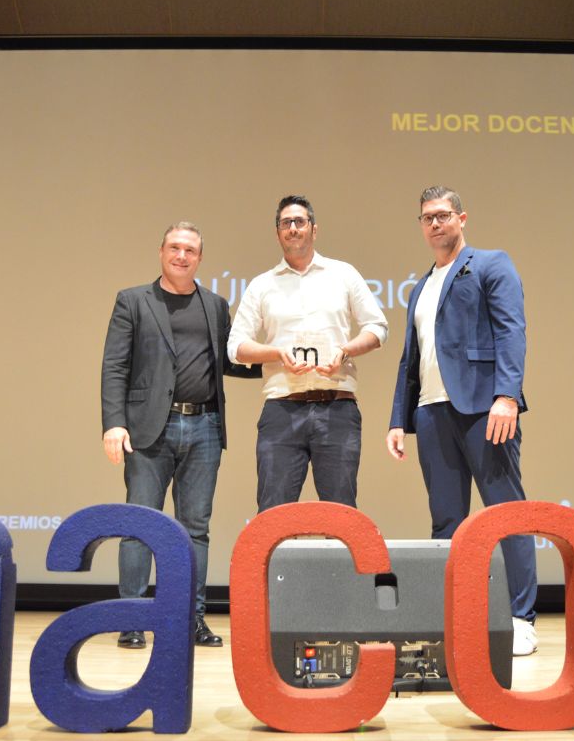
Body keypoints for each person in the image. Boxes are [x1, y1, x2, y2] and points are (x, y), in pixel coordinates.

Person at [386, 185, 539, 656]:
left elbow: (512, 330)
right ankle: (453, 616)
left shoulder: (491, 264)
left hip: (483, 408)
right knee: (446, 521)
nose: (436, 223)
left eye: (444, 215)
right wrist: (398, 417)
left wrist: (507, 396)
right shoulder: (419, 286)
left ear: (462, 218)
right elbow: (409, 359)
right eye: (428, 217)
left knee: (506, 513)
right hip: (431, 412)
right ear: (421, 224)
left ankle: (520, 619)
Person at [101, 221, 258, 650]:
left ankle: (192, 619)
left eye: (190, 250)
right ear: (161, 251)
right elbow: (115, 365)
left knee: (195, 529)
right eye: (175, 247)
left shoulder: (215, 304)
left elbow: (231, 361)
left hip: (205, 426)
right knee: (141, 525)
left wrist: (280, 358)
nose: (182, 255)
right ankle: (133, 619)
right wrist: (114, 422)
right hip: (150, 428)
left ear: (200, 258)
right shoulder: (133, 300)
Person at [228, 195, 388, 511]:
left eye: (299, 222)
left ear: (314, 229)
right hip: (281, 411)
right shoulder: (262, 285)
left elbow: (378, 329)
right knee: (272, 514)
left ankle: (341, 563)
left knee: (341, 514)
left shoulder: (344, 274)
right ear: (278, 233)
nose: (293, 228)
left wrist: (345, 350)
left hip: (337, 409)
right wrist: (276, 353)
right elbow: (236, 347)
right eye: (286, 223)